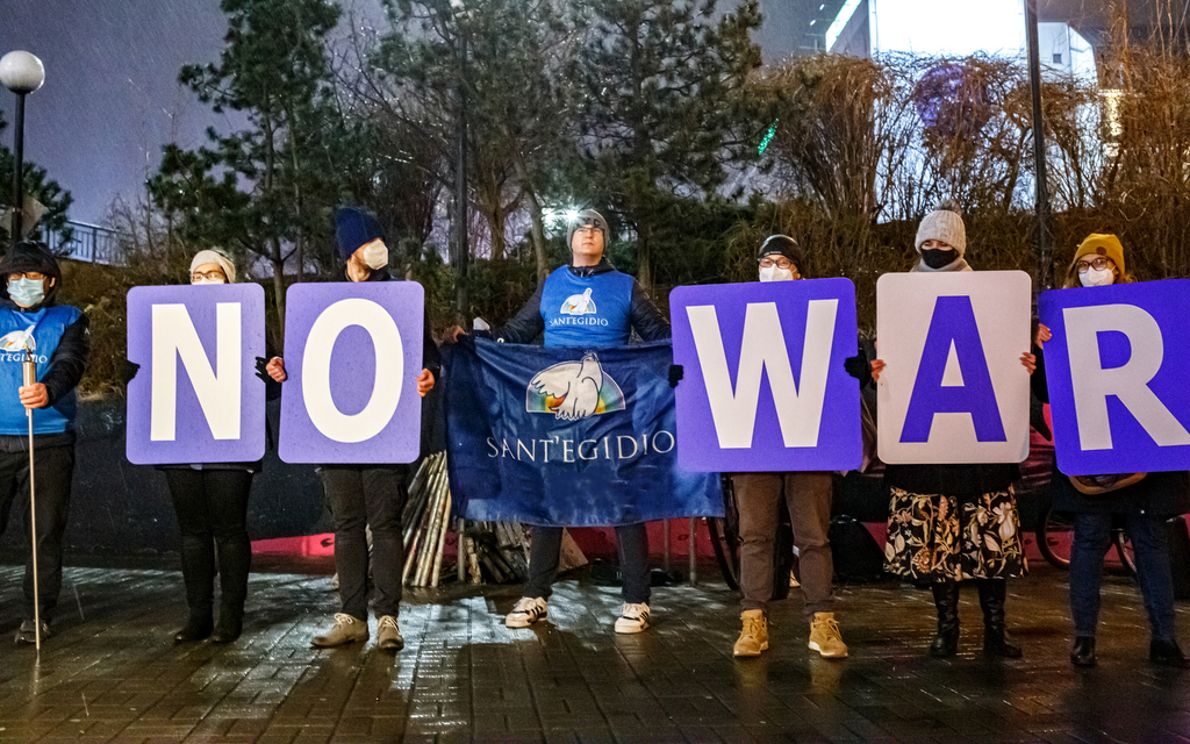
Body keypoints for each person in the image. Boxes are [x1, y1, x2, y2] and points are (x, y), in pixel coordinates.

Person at [446, 209, 670, 634]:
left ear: (606, 241)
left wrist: (694, 347)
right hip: (557, 417)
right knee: (549, 503)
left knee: (623, 503)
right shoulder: (552, 286)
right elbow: (512, 335)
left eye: (597, 228)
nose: (589, 232)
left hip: (609, 414)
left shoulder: (623, 287)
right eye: (581, 228)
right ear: (569, 239)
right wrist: (473, 344)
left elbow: (660, 337)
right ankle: (535, 596)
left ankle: (637, 600)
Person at [265, 207, 439, 652]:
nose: (378, 248)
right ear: (350, 252)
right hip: (336, 435)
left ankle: (388, 619)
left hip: (385, 431)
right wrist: (284, 370)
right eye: (368, 242)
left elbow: (429, 354)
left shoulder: (401, 299)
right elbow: (304, 361)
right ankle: (351, 616)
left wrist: (429, 373)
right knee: (346, 525)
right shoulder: (322, 302)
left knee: (384, 525)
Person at [872, 203, 1037, 659]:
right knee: (936, 543)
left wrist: (1025, 366)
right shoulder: (897, 300)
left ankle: (995, 630)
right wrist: (878, 370)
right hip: (927, 450)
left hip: (982, 447)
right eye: (928, 242)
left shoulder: (995, 299)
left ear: (960, 246)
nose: (935, 249)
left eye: (944, 243)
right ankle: (947, 627)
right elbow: (885, 371)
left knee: (989, 544)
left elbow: (1015, 367)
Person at [1033, 233, 1189, 669]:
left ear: (1119, 268)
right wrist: (1043, 352)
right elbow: (1047, 390)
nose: (1091, 272)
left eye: (1100, 263)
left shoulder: (1149, 310)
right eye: (1083, 265)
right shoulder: (1059, 321)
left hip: (1140, 454)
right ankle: (1084, 638)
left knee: (1150, 543)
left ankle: (1164, 637)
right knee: (1089, 543)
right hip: (1093, 454)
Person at [730, 235, 849, 660]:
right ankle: (753, 621)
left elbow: (846, 367)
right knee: (755, 534)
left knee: (814, 535)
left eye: (782, 261)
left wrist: (857, 367)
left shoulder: (824, 315)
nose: (774, 268)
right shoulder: (738, 315)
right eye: (766, 261)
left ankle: (822, 621)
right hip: (755, 441)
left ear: (799, 270)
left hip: (808, 441)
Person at [163, 249, 276, 644]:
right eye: (197, 275)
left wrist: (273, 373)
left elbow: (273, 386)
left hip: (232, 443)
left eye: (214, 274)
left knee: (229, 530)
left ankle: (230, 616)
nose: (205, 281)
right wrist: (136, 373)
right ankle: (198, 616)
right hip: (182, 443)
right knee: (192, 532)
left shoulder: (251, 319)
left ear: (230, 280)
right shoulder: (169, 319)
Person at [0, 240, 90, 645]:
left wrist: (48, 390)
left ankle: (36, 614)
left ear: (50, 280)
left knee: (44, 532)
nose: (21, 283)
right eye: (13, 276)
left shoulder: (68, 317)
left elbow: (71, 362)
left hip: (48, 442)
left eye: (31, 276)